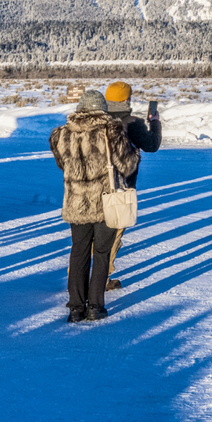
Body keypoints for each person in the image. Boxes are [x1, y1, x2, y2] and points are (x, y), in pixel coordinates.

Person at [49, 89, 140, 322]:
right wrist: (135, 152)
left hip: (76, 202)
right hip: (104, 202)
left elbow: (63, 165)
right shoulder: (111, 130)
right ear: (103, 109)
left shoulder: (62, 134)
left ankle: (75, 307)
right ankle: (95, 307)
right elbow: (127, 165)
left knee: (78, 252)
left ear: (80, 108)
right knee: (101, 253)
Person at [102, 81, 159, 290]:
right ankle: (103, 277)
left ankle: (78, 276)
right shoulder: (132, 123)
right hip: (122, 186)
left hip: (97, 184)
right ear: (127, 99)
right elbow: (152, 145)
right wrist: (154, 122)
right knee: (115, 232)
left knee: (93, 233)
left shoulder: (99, 120)